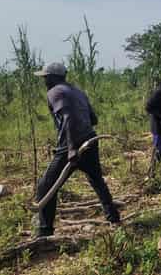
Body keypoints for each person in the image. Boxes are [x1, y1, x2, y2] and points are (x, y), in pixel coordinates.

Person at [34, 63, 119, 237]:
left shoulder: (55, 92)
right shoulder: (77, 91)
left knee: (45, 187)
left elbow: (68, 117)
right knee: (97, 181)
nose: (44, 80)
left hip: (70, 145)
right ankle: (114, 218)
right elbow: (93, 119)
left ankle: (44, 232)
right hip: (89, 139)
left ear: (53, 77)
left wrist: (71, 148)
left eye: (46, 77)